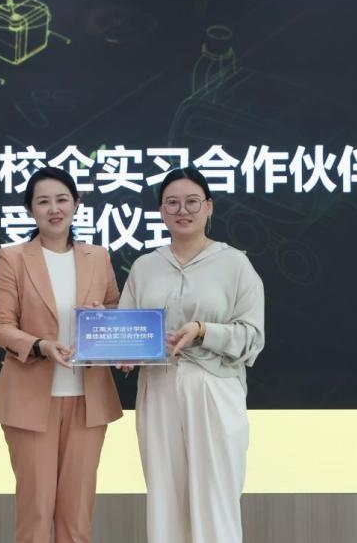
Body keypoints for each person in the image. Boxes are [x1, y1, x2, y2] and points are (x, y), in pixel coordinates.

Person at [119, 167, 265, 543]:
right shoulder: (145, 266)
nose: (182, 210)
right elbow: (125, 328)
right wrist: (122, 353)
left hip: (214, 388)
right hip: (158, 388)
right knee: (165, 497)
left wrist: (203, 331)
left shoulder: (235, 264)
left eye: (192, 202)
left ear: (209, 207)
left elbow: (253, 337)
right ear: (161, 211)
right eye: (172, 203)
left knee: (216, 494)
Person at [0, 166, 124, 543]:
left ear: (76, 204)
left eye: (62, 199)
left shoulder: (98, 257)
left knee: (77, 518)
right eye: (43, 201)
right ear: (30, 209)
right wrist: (41, 346)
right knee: (35, 513)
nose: (54, 209)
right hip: (31, 400)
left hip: (88, 399)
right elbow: (1, 326)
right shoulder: (12, 258)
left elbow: (116, 311)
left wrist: (105, 321)